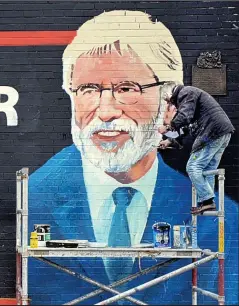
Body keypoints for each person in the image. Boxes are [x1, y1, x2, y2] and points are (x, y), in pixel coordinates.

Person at [27, 10, 238, 305]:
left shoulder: (224, 222)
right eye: (88, 90)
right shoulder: (36, 197)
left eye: (126, 89)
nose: (105, 111)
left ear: (168, 103)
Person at [158, 85, 235, 214]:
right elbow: (187, 129)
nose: (169, 104)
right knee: (207, 169)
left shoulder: (185, 92)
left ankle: (207, 200)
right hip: (221, 133)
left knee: (193, 167)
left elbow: (184, 116)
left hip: (212, 132)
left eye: (167, 100)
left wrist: (169, 127)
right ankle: (208, 203)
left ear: (170, 92)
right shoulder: (191, 99)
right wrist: (169, 140)